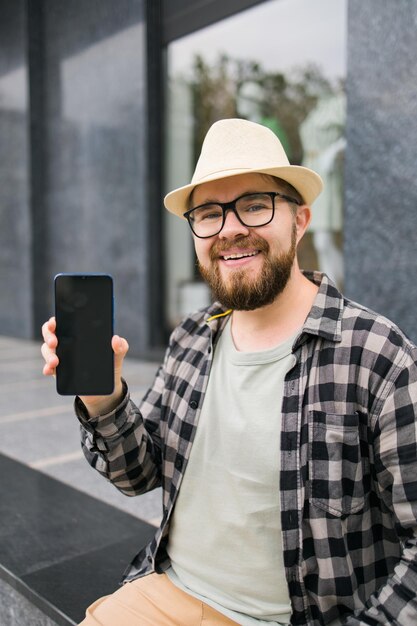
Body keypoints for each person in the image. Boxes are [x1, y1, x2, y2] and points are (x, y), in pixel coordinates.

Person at [41, 118, 417, 626]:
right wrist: (103, 395)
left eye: (255, 205)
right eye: (209, 213)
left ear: (300, 220)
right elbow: (138, 473)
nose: (230, 229)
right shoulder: (193, 336)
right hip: (167, 594)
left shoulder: (376, 354)